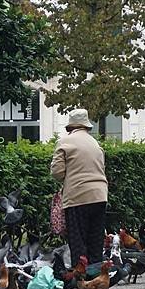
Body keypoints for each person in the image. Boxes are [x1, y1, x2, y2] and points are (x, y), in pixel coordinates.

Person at [50, 108, 108, 265]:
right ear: (86, 126)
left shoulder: (64, 142)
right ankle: (96, 279)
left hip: (77, 197)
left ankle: (82, 281)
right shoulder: (95, 143)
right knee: (95, 241)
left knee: (78, 242)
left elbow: (57, 172)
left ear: (70, 127)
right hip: (100, 196)